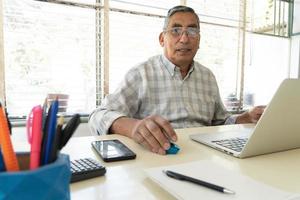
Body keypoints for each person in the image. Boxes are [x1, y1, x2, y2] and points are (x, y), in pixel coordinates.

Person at [89, 5, 265, 155]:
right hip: (158, 156)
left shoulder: (208, 77)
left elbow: (220, 122)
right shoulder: (141, 74)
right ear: (161, 39)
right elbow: (98, 116)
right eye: (175, 30)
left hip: (203, 156)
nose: (184, 38)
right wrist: (132, 127)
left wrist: (246, 117)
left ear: (199, 40)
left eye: (192, 30)